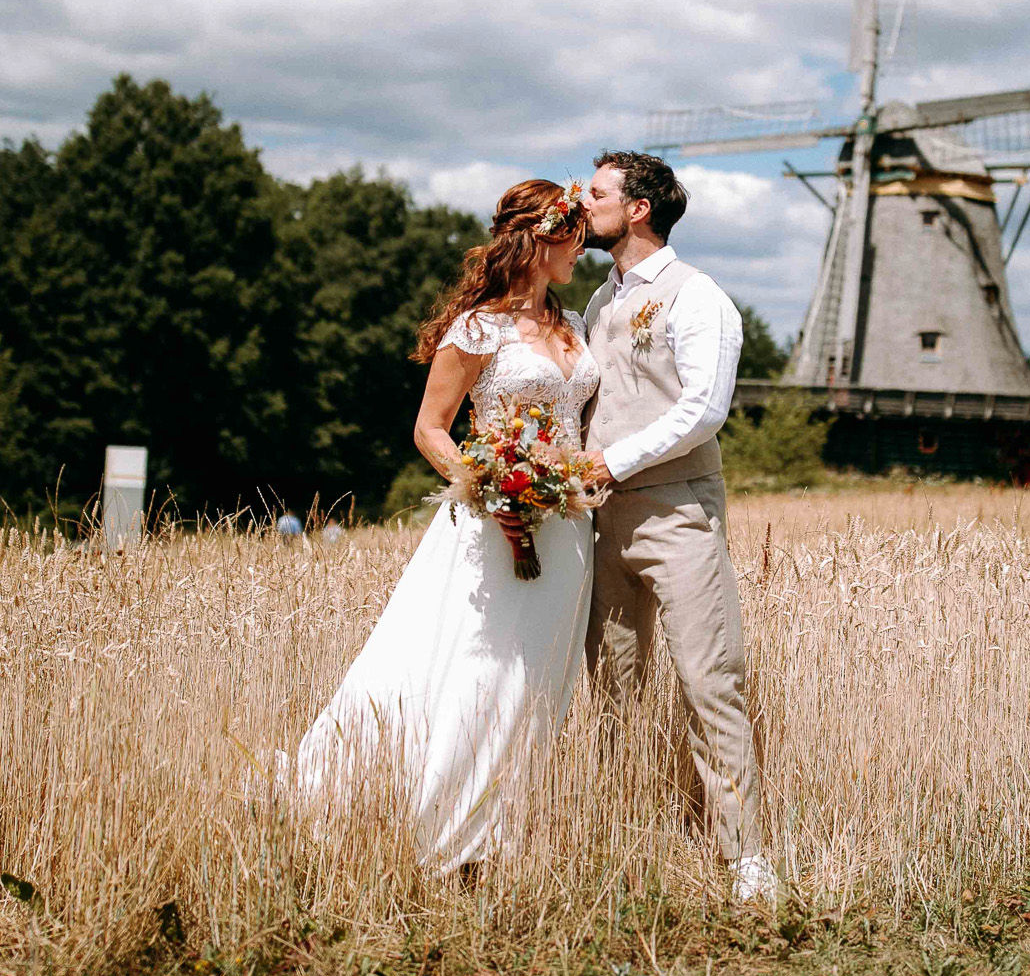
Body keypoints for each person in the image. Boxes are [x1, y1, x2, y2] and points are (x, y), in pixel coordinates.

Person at [271, 179, 599, 872]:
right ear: (543, 236)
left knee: (539, 680)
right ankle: (443, 830)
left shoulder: (574, 326)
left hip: (569, 529)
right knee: (480, 673)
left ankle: (503, 828)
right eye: (574, 236)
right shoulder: (479, 327)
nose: (582, 248)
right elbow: (429, 428)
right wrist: (490, 487)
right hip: (496, 526)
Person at [578, 150, 778, 904]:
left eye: (595, 191)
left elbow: (703, 410)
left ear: (637, 208)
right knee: (612, 685)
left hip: (679, 513)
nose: (581, 200)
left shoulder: (700, 299)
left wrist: (611, 461)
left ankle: (743, 859)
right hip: (603, 519)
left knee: (708, 679)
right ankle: (619, 841)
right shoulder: (599, 302)